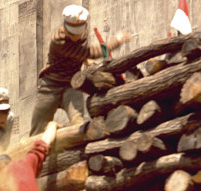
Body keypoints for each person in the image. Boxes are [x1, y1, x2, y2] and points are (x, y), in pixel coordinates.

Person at [29, 5, 131, 135]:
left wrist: (84, 59)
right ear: (65, 27)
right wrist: (116, 41)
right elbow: (91, 52)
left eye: (78, 33)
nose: (75, 37)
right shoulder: (58, 40)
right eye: (71, 33)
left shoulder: (83, 31)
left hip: (72, 84)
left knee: (79, 124)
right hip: (50, 85)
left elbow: (78, 51)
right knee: (38, 129)